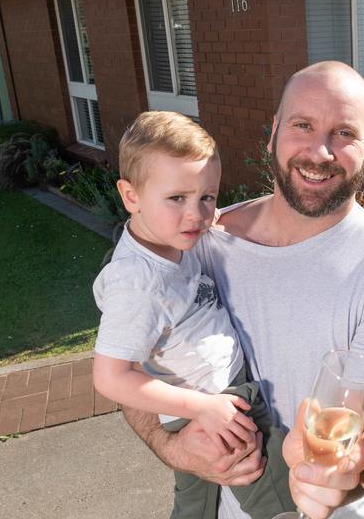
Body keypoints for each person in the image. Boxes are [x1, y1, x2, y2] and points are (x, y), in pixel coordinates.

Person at [122, 62, 364, 519]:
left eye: (343, 133)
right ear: (273, 132)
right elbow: (129, 362)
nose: (319, 151)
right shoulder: (201, 240)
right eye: (302, 125)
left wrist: (336, 471)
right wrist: (173, 448)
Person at [91, 111, 295, 519]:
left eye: (207, 196)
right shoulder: (139, 284)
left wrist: (206, 216)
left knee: (195, 503)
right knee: (280, 499)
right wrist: (201, 409)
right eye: (177, 198)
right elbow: (109, 377)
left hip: (202, 405)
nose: (197, 215)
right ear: (131, 196)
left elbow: (197, 217)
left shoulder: (167, 240)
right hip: (219, 404)